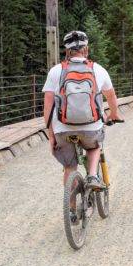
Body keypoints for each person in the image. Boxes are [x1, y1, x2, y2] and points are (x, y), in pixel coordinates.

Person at [43, 30, 122, 188]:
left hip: (62, 129)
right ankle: (92, 175)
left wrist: (51, 134)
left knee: (69, 168)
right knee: (94, 146)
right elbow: (111, 97)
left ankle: (71, 210)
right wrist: (114, 114)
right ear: (86, 49)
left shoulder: (56, 71)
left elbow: (47, 106)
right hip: (90, 127)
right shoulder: (98, 69)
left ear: (67, 50)